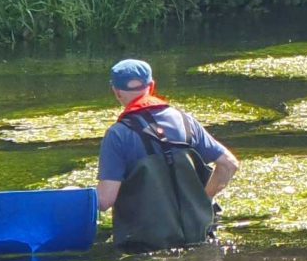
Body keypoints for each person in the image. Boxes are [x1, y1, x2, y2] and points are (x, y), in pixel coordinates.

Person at [96, 58, 238, 250]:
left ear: (116, 91)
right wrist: (203, 199)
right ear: (152, 86)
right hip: (197, 237)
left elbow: (105, 201)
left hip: (145, 245)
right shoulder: (186, 122)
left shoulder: (117, 135)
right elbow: (229, 164)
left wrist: (74, 198)